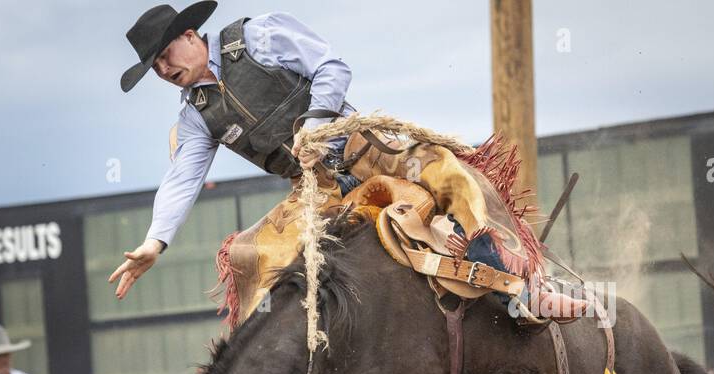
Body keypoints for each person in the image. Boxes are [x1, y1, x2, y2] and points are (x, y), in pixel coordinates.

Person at [108, 4, 525, 310]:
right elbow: (183, 177)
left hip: (364, 149)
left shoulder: (257, 36)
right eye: (154, 67)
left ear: (189, 35)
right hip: (314, 190)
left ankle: (512, 273)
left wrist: (313, 129)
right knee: (250, 256)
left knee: (444, 170)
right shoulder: (196, 116)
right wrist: (154, 242)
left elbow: (332, 68)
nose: (163, 70)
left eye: (164, 56)